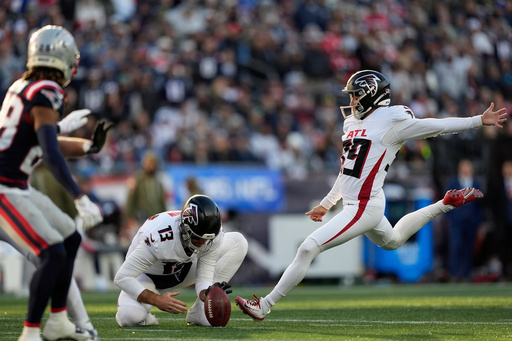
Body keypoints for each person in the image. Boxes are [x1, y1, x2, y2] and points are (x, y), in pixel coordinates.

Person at [234, 70, 508, 321]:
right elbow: (346, 174)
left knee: (308, 247)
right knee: (393, 241)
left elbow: (435, 125)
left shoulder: (393, 121)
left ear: (371, 94)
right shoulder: (352, 124)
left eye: (355, 94)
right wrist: (327, 203)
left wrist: (477, 121)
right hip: (362, 203)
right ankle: (445, 204)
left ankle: (265, 305)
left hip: (365, 206)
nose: (352, 101)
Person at [0, 25, 110, 341]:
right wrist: (79, 196)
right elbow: (48, 151)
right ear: (62, 57)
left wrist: (86, 146)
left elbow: (45, 140)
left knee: (70, 238)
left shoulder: (25, 86)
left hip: (15, 185)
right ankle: (31, 333)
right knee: (52, 253)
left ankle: (59, 321)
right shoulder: (47, 90)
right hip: (5, 188)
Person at [114, 194, 248, 327]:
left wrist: (208, 294)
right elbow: (122, 277)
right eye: (197, 238)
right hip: (147, 277)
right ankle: (145, 317)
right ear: (185, 227)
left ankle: (200, 311)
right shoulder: (159, 237)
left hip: (183, 270)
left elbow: (204, 276)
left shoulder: (212, 234)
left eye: (207, 239)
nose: (202, 243)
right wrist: (156, 300)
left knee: (238, 242)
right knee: (128, 317)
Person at [445, 159, 483, 281]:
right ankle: (454, 273)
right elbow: (446, 201)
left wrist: (477, 219)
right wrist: (451, 217)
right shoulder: (453, 182)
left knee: (469, 247)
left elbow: (480, 204)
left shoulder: (476, 182)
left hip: (471, 221)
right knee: (456, 246)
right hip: (457, 221)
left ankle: (466, 274)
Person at [122, 150, 167, 246]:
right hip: (141, 219)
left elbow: (162, 203)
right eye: (148, 163)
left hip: (156, 221)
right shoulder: (137, 180)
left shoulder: (158, 183)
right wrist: (129, 218)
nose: (151, 166)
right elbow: (130, 200)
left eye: (153, 163)